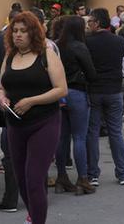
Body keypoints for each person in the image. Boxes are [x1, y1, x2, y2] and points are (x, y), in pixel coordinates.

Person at [0, 11, 67, 223]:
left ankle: (37, 220)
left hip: (44, 122)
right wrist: (2, 98)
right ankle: (33, 215)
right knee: (21, 179)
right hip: (15, 125)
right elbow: (1, 87)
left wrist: (31, 101)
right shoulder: (10, 56)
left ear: (33, 33)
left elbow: (61, 90)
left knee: (35, 179)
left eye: (23, 31)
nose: (18, 35)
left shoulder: (47, 55)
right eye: (15, 30)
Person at [85, 8, 124, 185]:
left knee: (92, 133)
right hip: (114, 90)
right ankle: (123, 172)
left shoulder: (88, 42)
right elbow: (121, 59)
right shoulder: (118, 40)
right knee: (116, 133)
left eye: (90, 22)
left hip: (95, 90)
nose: (88, 25)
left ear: (96, 22)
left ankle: (93, 174)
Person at [54, 15, 96, 195]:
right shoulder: (80, 46)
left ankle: (61, 177)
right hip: (77, 93)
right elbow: (91, 73)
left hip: (58, 94)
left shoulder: (55, 46)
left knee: (62, 138)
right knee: (79, 137)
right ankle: (82, 179)